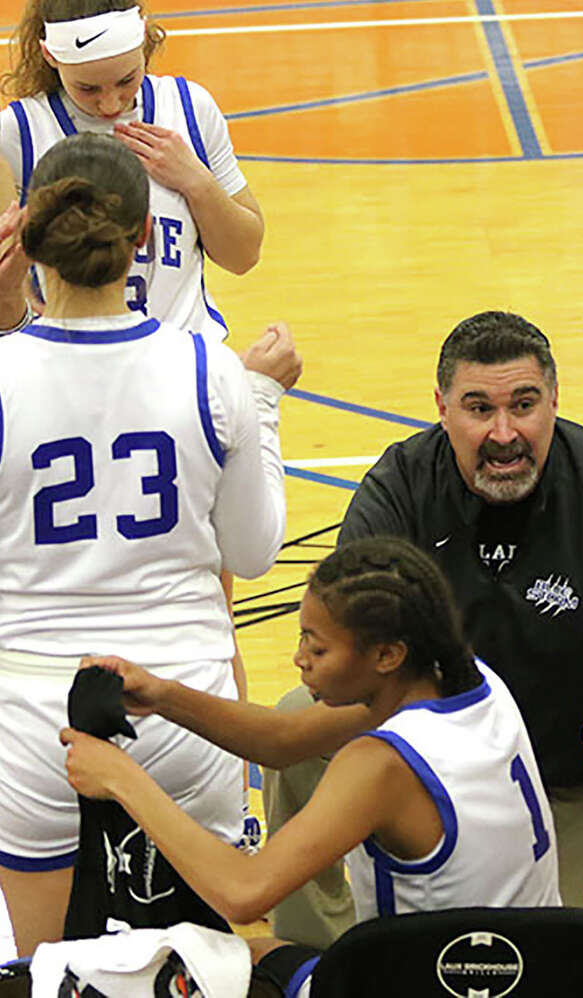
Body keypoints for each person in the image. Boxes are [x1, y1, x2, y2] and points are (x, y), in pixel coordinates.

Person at [263, 311, 583, 939]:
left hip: (579, 787)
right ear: (442, 409)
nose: (505, 433)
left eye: (524, 405)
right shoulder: (401, 489)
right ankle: (314, 953)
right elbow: (346, 636)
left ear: (554, 401)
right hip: (426, 773)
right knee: (296, 721)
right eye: (479, 409)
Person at [0, 132, 297, 955]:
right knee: (195, 964)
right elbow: (252, 552)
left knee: (44, 967)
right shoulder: (210, 368)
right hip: (182, 707)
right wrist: (264, 398)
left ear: (30, 233)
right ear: (144, 236)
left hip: (33, 715)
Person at [59, 539, 561, 945]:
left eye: (315, 646)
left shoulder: (380, 765)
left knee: (228, 952)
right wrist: (164, 695)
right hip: (533, 969)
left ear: (386, 655)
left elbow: (243, 892)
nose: (299, 658)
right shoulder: (471, 681)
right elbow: (283, 739)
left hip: (429, 979)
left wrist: (121, 779)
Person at [0, 0, 264, 340]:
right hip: (73, 371)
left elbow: (243, 257)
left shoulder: (189, 107)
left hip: (183, 365)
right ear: (50, 55)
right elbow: (7, 291)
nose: (110, 103)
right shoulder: (16, 133)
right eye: (88, 88)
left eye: (126, 80)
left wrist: (197, 182)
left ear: (142, 38)